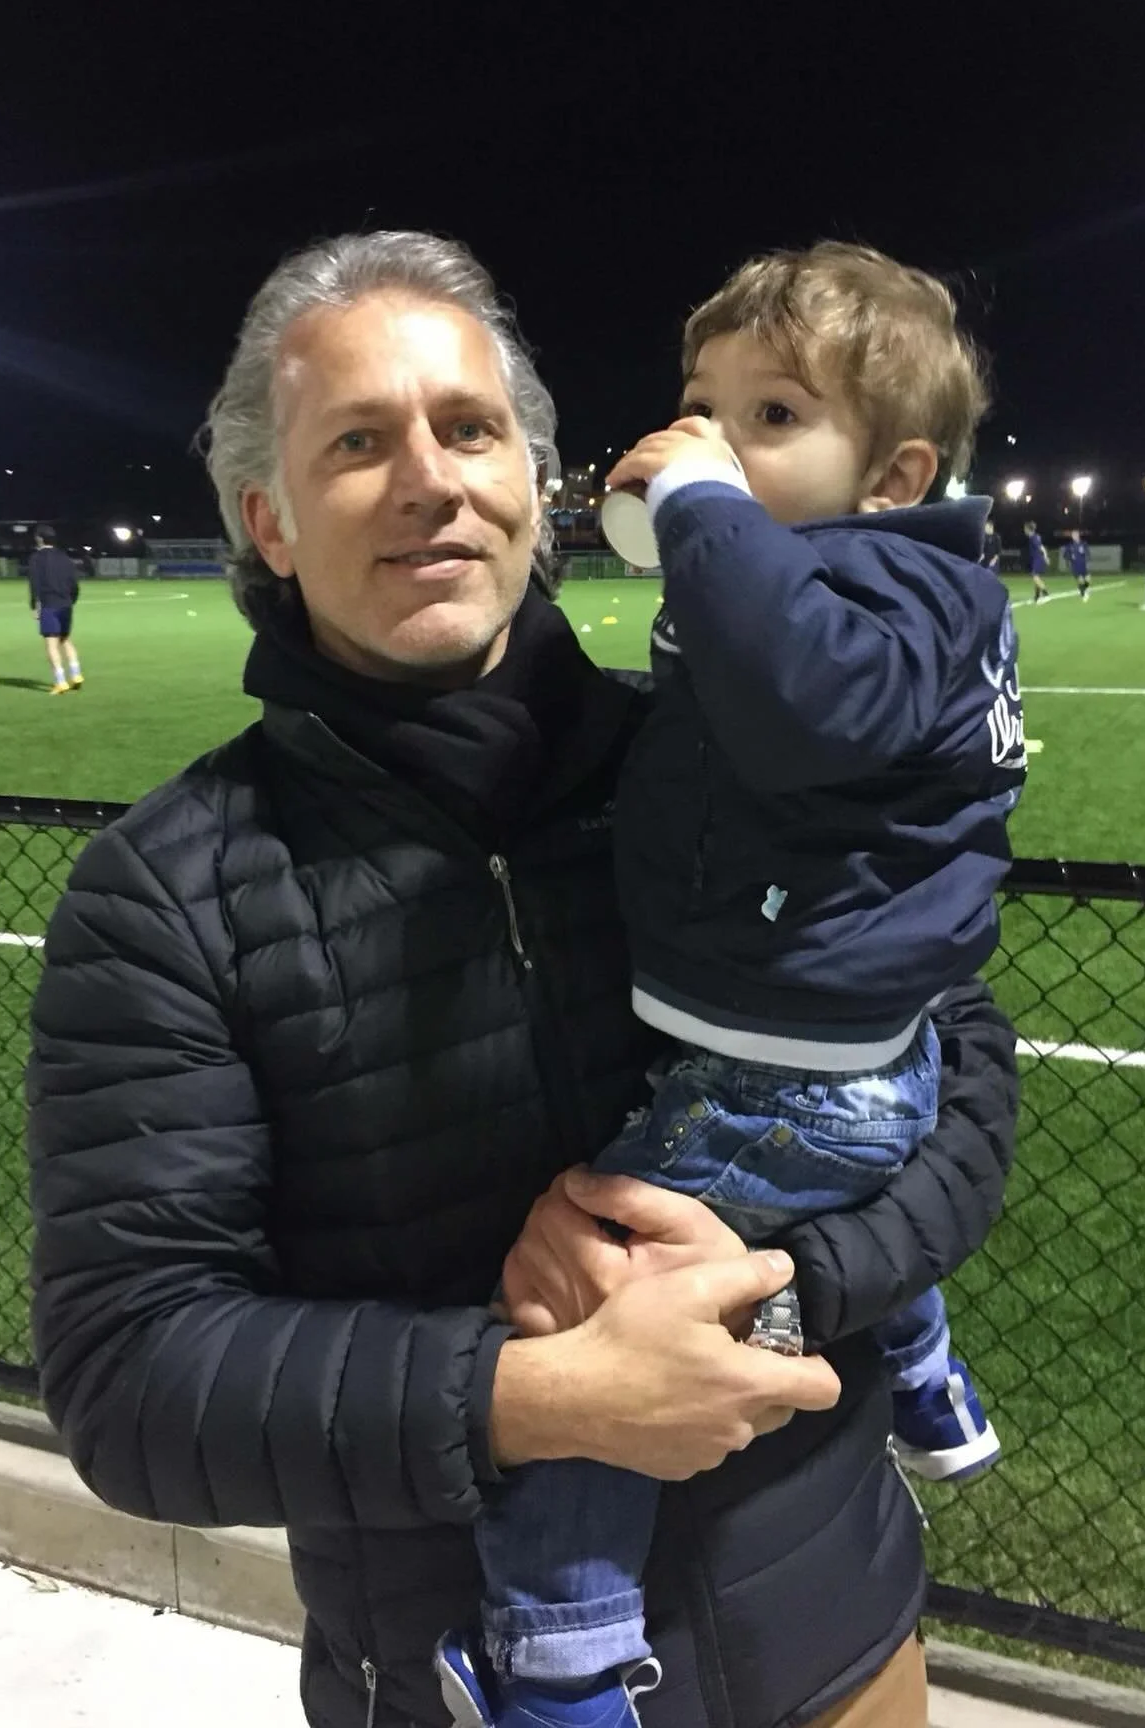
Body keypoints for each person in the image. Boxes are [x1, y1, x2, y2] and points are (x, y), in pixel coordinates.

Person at [25, 232, 1020, 1728]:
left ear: (541, 490)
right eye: (358, 442)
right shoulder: (165, 894)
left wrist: (770, 1295)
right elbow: (132, 1385)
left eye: (469, 429)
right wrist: (538, 1394)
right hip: (457, 1681)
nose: (429, 479)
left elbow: (964, 1087)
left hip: (841, 1633)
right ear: (269, 520)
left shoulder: (715, 759)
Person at [443, 243, 1023, 1728]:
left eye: (771, 417)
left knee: (596, 1324)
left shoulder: (888, 579)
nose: (710, 438)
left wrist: (700, 501)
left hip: (794, 1062)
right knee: (816, 1188)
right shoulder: (845, 575)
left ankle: (563, 1655)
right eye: (701, 406)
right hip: (830, 1048)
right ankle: (928, 1371)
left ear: (893, 473)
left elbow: (807, 702)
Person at [28, 530, 85, 692]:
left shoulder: (36, 558)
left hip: (49, 605)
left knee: (51, 643)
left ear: (40, 539)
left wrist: (34, 605)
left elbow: (34, 584)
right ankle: (76, 674)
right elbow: (74, 584)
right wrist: (71, 601)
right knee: (65, 639)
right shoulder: (65, 557)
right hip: (66, 605)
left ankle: (60, 681)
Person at [1024, 519, 1049, 603]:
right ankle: (1037, 597)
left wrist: (1045, 557)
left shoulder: (1033, 538)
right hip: (1037, 559)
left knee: (1035, 577)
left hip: (1038, 559)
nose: (1024, 530)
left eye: (1025, 528)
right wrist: (1045, 557)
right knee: (1036, 578)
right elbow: (1041, 546)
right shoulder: (1035, 536)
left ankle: (1046, 594)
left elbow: (1041, 547)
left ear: (1028, 529)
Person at [1066, 527, 1091, 600]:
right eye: (1073, 535)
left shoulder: (1083, 543)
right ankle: (1083, 595)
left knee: (1088, 579)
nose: (1074, 536)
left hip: (1083, 565)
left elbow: (1087, 552)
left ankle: (1083, 589)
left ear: (1078, 535)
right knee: (1080, 580)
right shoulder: (1070, 545)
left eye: (1075, 535)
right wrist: (1071, 557)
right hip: (1075, 566)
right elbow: (1066, 555)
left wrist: (1087, 558)